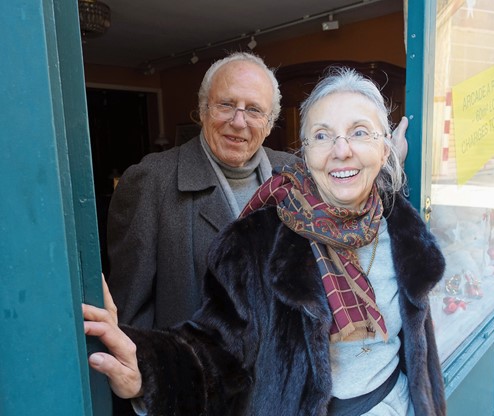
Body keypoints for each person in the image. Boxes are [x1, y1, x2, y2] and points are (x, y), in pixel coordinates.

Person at [84, 67, 446, 416]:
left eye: (360, 132)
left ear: (384, 149)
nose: (341, 149)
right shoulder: (255, 242)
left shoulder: (400, 224)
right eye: (322, 135)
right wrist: (147, 367)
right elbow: (217, 349)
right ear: (305, 153)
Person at [106, 51, 409, 330]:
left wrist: (385, 161)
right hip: (197, 376)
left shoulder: (295, 171)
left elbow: (348, 210)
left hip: (281, 376)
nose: (239, 122)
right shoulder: (151, 181)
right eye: (226, 105)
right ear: (202, 110)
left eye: (253, 110)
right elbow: (130, 313)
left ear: (269, 122)